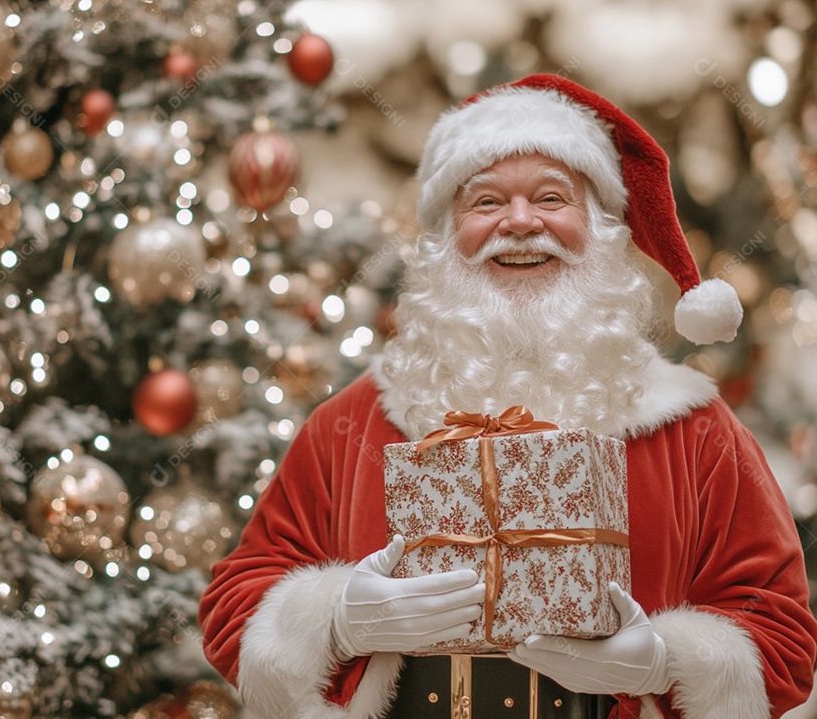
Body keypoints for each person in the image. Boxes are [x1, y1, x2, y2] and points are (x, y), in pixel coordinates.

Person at [198, 74, 817, 718]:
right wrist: (333, 622)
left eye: (552, 198)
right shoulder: (356, 420)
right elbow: (235, 600)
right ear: (446, 236)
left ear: (601, 227)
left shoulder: (689, 427)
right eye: (486, 202)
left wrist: (666, 662)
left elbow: (782, 634)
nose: (520, 223)